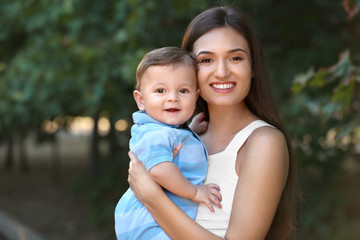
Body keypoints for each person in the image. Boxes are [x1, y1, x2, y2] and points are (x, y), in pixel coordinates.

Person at [127, 6, 297, 240]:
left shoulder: (263, 143)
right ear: (187, 69)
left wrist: (152, 198)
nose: (222, 71)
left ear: (253, 66)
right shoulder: (185, 138)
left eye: (235, 58)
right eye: (206, 60)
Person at [114, 47, 222, 240]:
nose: (173, 97)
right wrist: (195, 192)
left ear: (195, 97)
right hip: (146, 222)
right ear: (141, 100)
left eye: (183, 90)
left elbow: (176, 149)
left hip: (156, 219)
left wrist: (190, 132)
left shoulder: (170, 132)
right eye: (160, 90)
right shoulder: (152, 134)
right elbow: (160, 170)